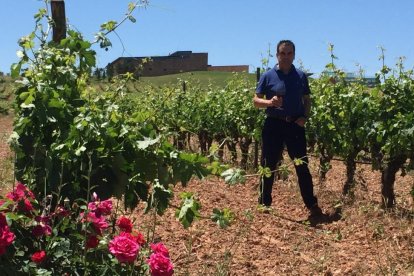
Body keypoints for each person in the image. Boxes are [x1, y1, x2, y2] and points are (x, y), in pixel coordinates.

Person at [253, 40, 322, 217]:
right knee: (268, 164)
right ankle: (264, 203)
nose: (286, 56)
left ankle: (312, 205)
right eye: (282, 53)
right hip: (273, 124)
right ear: (277, 55)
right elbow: (256, 101)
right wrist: (269, 102)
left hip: (294, 125)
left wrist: (304, 118)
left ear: (294, 55)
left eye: (289, 53)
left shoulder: (300, 76)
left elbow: (307, 100)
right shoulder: (267, 76)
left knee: (302, 166)